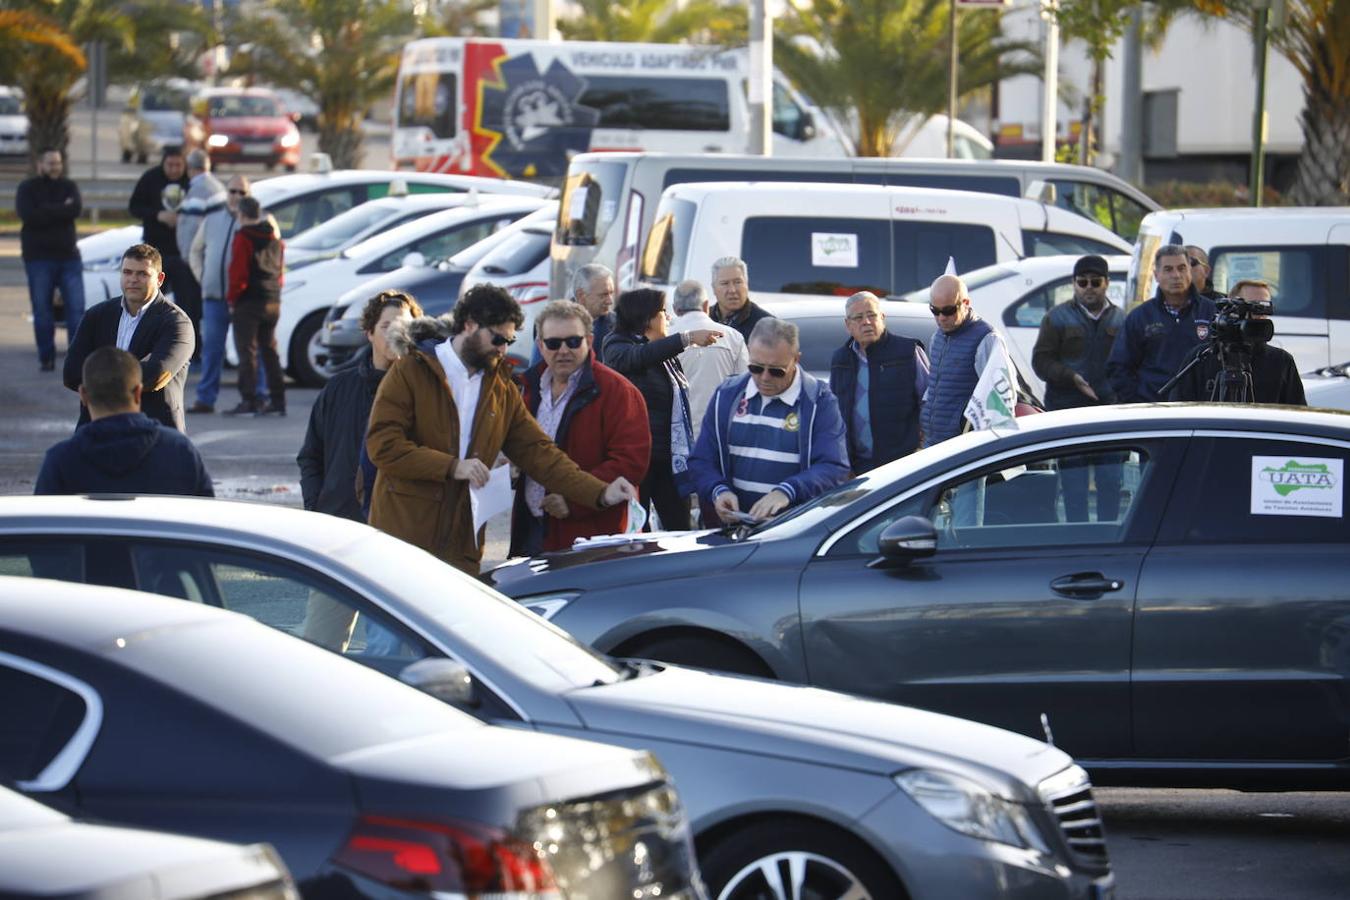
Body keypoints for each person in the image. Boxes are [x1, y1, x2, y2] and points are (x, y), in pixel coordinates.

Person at [366, 284, 638, 575]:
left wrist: (600, 493)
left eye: (508, 340)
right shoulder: (411, 370)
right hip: (403, 538)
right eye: (497, 338)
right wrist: (452, 466)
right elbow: (383, 446)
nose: (503, 349)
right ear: (469, 325)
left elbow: (540, 453)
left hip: (462, 545)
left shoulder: (501, 387)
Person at [509, 301, 651, 556]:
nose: (563, 350)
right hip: (533, 528)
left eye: (573, 342)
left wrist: (574, 502)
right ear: (540, 345)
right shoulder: (528, 388)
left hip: (591, 537)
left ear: (589, 340)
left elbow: (631, 463)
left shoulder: (618, 391)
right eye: (553, 343)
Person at [689, 317, 849, 523]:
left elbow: (834, 466)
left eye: (776, 371)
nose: (764, 377)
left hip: (791, 532)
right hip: (732, 530)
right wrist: (718, 491)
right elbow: (701, 460)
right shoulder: (727, 395)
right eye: (756, 367)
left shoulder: (819, 401)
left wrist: (787, 492)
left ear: (796, 361)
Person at [298, 290, 424, 521]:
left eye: (404, 327)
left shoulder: (422, 391)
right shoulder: (339, 387)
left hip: (396, 525)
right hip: (337, 519)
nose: (396, 334)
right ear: (369, 333)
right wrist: (316, 508)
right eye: (387, 326)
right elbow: (310, 456)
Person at [603, 287, 721, 531]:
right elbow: (637, 357)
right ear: (645, 318)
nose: (668, 318)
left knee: (680, 527)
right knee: (637, 530)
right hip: (638, 461)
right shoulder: (616, 345)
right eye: (663, 312)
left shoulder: (664, 354)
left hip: (668, 458)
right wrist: (686, 338)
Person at [37, 347, 213, 496]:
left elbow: (43, 528)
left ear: (83, 395)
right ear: (138, 393)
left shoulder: (61, 460)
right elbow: (207, 522)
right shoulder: (180, 452)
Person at [1031, 255, 1126, 521]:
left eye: (1095, 282)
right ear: (1074, 284)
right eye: (1082, 282)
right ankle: (1078, 540)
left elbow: (1129, 364)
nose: (1088, 288)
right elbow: (1041, 361)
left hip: (1110, 414)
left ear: (1106, 283)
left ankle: (1109, 537)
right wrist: (1071, 377)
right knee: (1074, 484)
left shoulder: (1121, 319)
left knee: (1111, 481)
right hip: (1068, 412)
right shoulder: (1056, 317)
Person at [64, 243, 194, 432]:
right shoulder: (96, 315)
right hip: (97, 429)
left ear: (160, 279)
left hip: (155, 433)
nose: (133, 279)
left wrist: (98, 373)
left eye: (142, 274)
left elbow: (156, 375)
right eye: (127, 272)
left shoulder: (177, 323)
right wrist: (137, 368)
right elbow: (71, 373)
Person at [188, 174, 269, 413]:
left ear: (249, 196)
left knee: (251, 349)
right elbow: (195, 251)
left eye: (242, 192)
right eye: (232, 191)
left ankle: (259, 395)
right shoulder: (212, 219)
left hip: (246, 298)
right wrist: (203, 277)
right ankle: (206, 398)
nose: (236, 197)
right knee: (211, 350)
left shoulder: (259, 221)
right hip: (214, 297)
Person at [829, 290, 928, 473]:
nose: (866, 322)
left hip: (903, 466)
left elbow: (930, 402)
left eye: (871, 315)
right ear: (847, 325)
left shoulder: (907, 352)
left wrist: (922, 449)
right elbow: (834, 414)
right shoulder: (840, 359)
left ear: (882, 317)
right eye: (858, 318)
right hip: (856, 469)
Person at [1108, 243, 1218, 404]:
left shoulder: (1212, 312)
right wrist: (1138, 402)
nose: (1176, 275)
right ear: (1156, 275)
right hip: (1155, 411)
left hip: (1201, 408)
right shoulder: (1140, 317)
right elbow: (1118, 367)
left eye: (1182, 268)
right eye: (1168, 269)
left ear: (1189, 271)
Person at [1167, 279, 1307, 405]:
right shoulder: (1202, 357)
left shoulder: (1281, 361)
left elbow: (1297, 414)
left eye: (1263, 309)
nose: (1258, 316)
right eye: (1251, 308)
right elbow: (1179, 410)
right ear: (1231, 312)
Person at [919, 274, 1012, 448]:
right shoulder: (937, 337)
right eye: (935, 310)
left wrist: (968, 425)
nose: (941, 318)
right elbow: (934, 386)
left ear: (966, 303)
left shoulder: (987, 339)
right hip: (933, 443)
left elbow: (1001, 398)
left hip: (963, 448)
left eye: (948, 311)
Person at [16, 147, 85, 372]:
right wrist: (59, 210)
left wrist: (45, 211)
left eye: (57, 162)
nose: (55, 167)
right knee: (42, 310)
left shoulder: (69, 187)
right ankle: (46, 357)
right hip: (38, 259)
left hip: (69, 258)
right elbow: (28, 214)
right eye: (50, 163)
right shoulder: (27, 188)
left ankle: (76, 360)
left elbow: (74, 209)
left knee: (76, 309)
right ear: (40, 165)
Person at [128, 146, 199, 342]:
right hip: (155, 253)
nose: (174, 170)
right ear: (163, 163)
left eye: (178, 165)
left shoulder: (191, 181)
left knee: (188, 303)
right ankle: (145, 341)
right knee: (150, 301)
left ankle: (188, 344)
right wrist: (158, 215)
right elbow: (134, 207)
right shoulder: (151, 178)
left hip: (184, 253)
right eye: (170, 165)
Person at [225, 196, 286, 416]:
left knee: (247, 351)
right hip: (272, 298)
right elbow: (280, 269)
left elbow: (238, 273)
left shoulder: (243, 237)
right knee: (269, 350)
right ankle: (278, 400)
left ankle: (249, 400)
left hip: (249, 300)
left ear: (241, 215)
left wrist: (232, 299)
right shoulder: (273, 236)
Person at [672, 278, 747, 441]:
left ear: (675, 309)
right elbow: (746, 387)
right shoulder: (733, 337)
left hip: (676, 436)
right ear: (706, 306)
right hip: (720, 433)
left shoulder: (664, 338)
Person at [708, 256, 773, 343]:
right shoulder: (702, 320)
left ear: (746, 284)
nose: (732, 290)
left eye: (737, 282)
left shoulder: (768, 327)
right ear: (713, 288)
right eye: (725, 283)